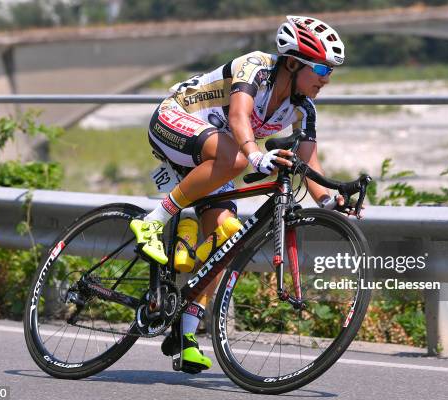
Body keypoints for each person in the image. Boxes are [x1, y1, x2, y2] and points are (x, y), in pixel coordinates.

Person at [130, 15, 351, 373]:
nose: (327, 79)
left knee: (226, 238)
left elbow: (311, 164)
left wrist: (331, 200)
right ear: (293, 62)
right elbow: (238, 117)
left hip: (218, 153)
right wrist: (255, 155)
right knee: (233, 157)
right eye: (322, 69)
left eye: (331, 72)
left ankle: (185, 335)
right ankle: (153, 221)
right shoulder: (257, 67)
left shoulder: (303, 109)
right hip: (175, 120)